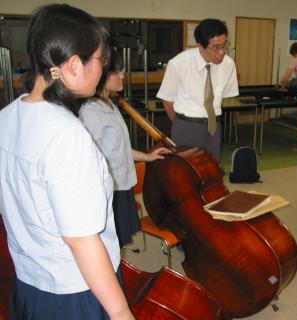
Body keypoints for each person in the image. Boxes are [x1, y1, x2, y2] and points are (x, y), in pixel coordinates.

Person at [0, 4, 134, 319]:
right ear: (74, 66)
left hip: (30, 281)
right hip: (76, 290)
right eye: (102, 60)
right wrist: (120, 311)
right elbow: (82, 241)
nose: (104, 69)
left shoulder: (8, 117)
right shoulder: (68, 136)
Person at [79, 49, 170, 248]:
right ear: (100, 75)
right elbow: (91, 158)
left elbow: (119, 149)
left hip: (122, 185)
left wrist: (147, 157)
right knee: (109, 243)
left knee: (119, 240)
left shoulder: (110, 104)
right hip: (108, 188)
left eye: (123, 71)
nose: (122, 76)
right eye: (116, 72)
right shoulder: (90, 112)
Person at [157, 18, 239, 159]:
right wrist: (182, 123)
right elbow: (167, 100)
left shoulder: (228, 64)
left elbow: (223, 96)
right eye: (216, 47)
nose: (222, 52)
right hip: (186, 125)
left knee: (212, 170)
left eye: (225, 45)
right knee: (185, 172)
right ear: (200, 46)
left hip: (214, 127)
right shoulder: (178, 64)